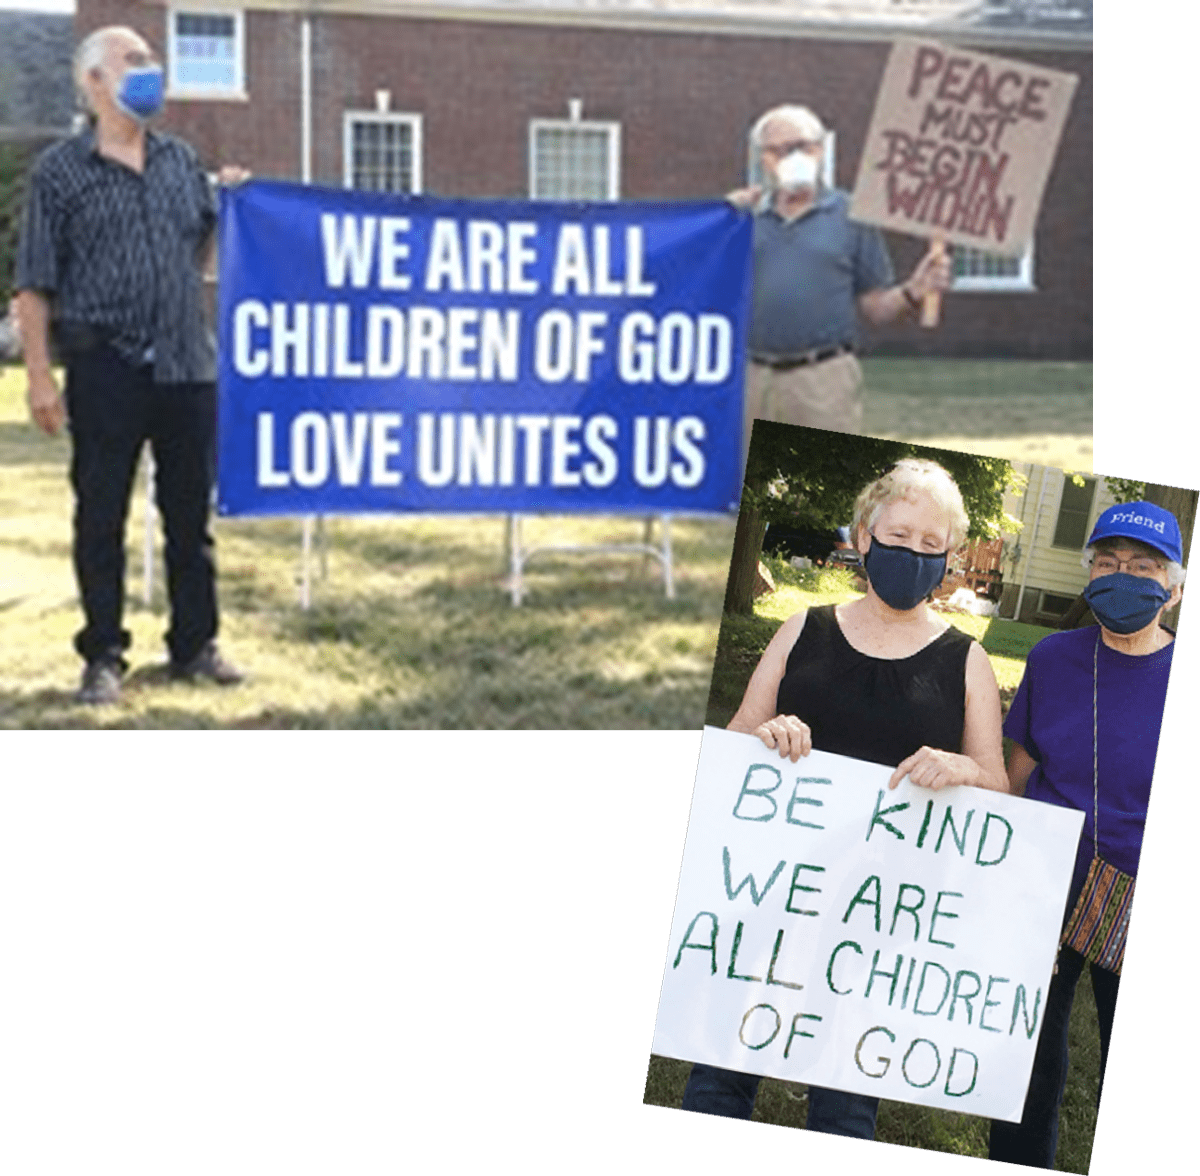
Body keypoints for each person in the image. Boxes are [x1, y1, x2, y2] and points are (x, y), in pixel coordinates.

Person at [681, 458, 1008, 1133]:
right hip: (773, 889)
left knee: (846, 1100)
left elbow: (997, 782)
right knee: (719, 1069)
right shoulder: (803, 627)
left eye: (930, 545)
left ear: (948, 555)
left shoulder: (966, 659)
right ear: (864, 535)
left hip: (884, 915)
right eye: (899, 536)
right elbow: (739, 736)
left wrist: (964, 769)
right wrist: (767, 733)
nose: (912, 554)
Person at [15, 25, 246, 704]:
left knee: (188, 515)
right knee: (101, 515)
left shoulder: (181, 161)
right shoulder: (61, 173)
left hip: (184, 364)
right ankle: (104, 655)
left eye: (152, 59)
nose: (151, 69)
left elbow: (203, 243)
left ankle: (195, 645)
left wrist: (235, 198)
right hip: (106, 366)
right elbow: (34, 283)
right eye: (134, 60)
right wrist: (37, 376)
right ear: (93, 80)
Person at [988, 501, 1185, 1169]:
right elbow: (1018, 771)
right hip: (1042, 883)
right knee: (1027, 1060)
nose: (1122, 576)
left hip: (1143, 892)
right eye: (1107, 562)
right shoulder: (1052, 657)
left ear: (1175, 584)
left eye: (1143, 566)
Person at [729, 104, 951, 449]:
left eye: (802, 146)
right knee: (750, 494)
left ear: (820, 150)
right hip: (750, 378)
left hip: (823, 377)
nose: (793, 157)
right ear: (762, 158)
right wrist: (719, 213)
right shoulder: (741, 218)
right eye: (779, 150)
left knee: (820, 492)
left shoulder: (852, 216)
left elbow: (877, 308)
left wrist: (914, 290)